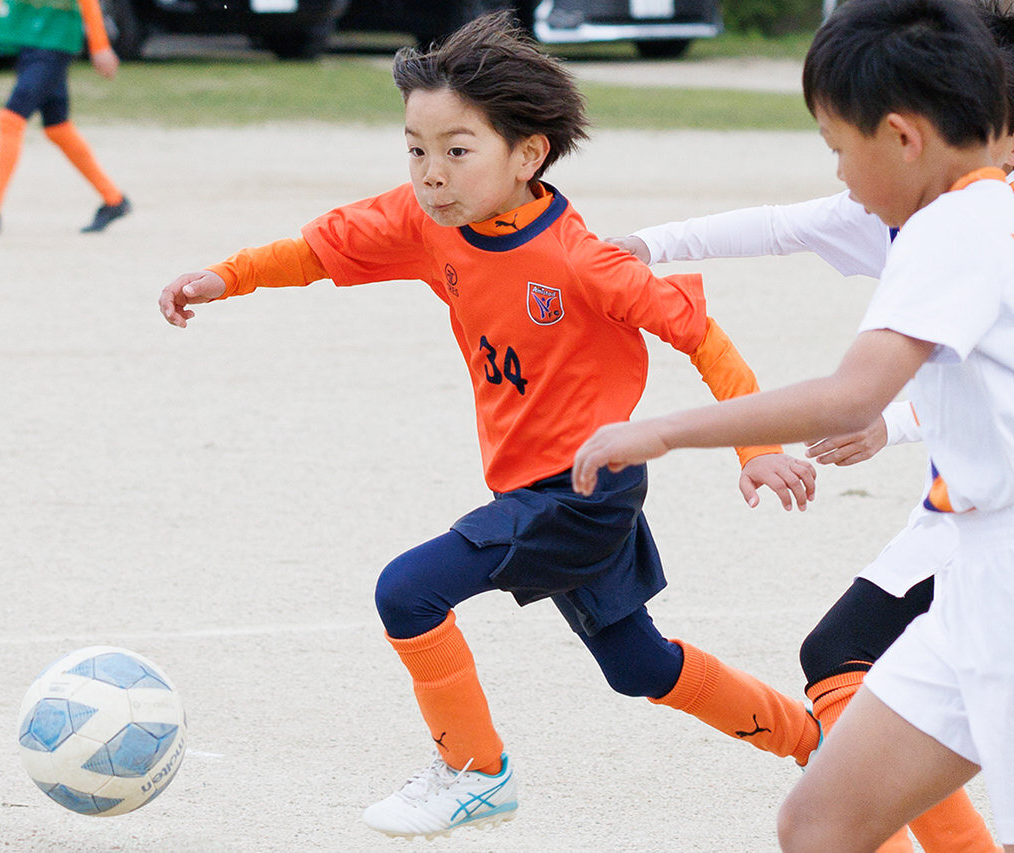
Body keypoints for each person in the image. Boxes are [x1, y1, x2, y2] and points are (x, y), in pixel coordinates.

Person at [159, 12, 824, 840]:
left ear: (529, 154)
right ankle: (817, 742)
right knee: (638, 665)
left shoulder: (583, 261)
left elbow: (703, 337)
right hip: (542, 485)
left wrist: (755, 450)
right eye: (415, 148)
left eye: (457, 150)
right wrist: (224, 277)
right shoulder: (427, 222)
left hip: (585, 491)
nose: (431, 173)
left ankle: (476, 773)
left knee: (407, 590)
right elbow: (321, 249)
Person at [572, 0, 1014, 849]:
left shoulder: (954, 227)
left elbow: (853, 395)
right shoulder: (964, 211)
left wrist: (662, 429)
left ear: (903, 136)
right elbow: (785, 228)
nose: (840, 173)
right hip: (969, 581)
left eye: (837, 147)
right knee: (821, 821)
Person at [0, 0, 131, 235]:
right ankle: (114, 200)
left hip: (53, 44)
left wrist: (100, 46)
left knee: (10, 118)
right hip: (33, 41)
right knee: (58, 127)